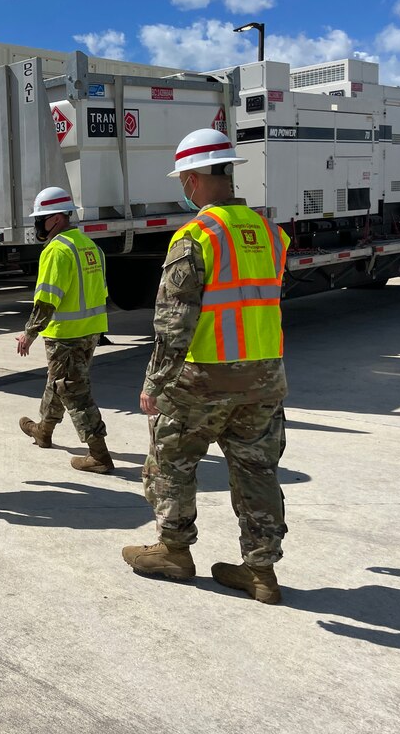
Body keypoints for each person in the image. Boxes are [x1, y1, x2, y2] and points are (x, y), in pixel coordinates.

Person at [121, 128, 290, 604]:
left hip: (202, 378)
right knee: (257, 472)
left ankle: (174, 550)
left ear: (193, 179)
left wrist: (154, 383)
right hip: (264, 378)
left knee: (170, 464)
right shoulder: (271, 234)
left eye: (184, 179)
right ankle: (261, 573)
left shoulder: (196, 236)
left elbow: (174, 324)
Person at [15, 186, 113, 474]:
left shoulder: (57, 250)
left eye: (41, 218)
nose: (37, 225)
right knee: (58, 382)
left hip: (66, 334)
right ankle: (43, 430)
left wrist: (29, 333)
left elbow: (46, 299)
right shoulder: (89, 245)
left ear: (56, 218)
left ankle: (99, 455)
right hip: (91, 330)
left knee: (72, 391)